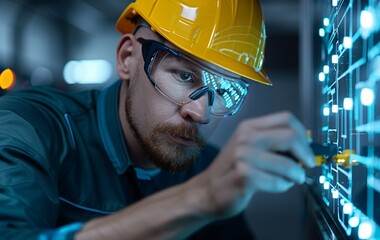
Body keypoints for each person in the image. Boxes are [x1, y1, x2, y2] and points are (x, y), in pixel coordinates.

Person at [0, 0, 316, 239]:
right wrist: (200, 198)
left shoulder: (207, 168)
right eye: (184, 75)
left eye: (226, 90)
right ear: (127, 58)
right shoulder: (30, 128)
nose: (201, 112)